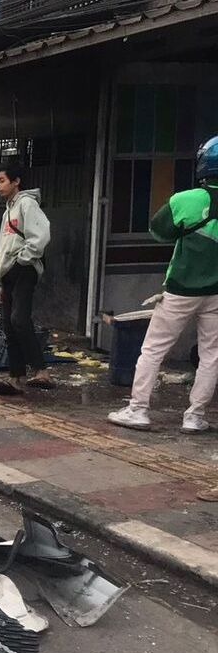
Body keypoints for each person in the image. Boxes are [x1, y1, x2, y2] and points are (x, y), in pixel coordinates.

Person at [109, 136, 218, 433]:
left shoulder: (188, 199)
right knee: (212, 356)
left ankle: (138, 409)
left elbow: (159, 230)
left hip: (181, 290)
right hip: (216, 296)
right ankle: (195, 417)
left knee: (153, 349)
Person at [0, 167, 52, 396]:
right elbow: (3, 246)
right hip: (7, 273)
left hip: (24, 269)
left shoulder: (27, 204)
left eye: (2, 180)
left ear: (16, 181)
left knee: (19, 319)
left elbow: (41, 235)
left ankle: (41, 371)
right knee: (9, 324)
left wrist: (24, 260)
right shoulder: (7, 211)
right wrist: (0, 281)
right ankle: (15, 378)